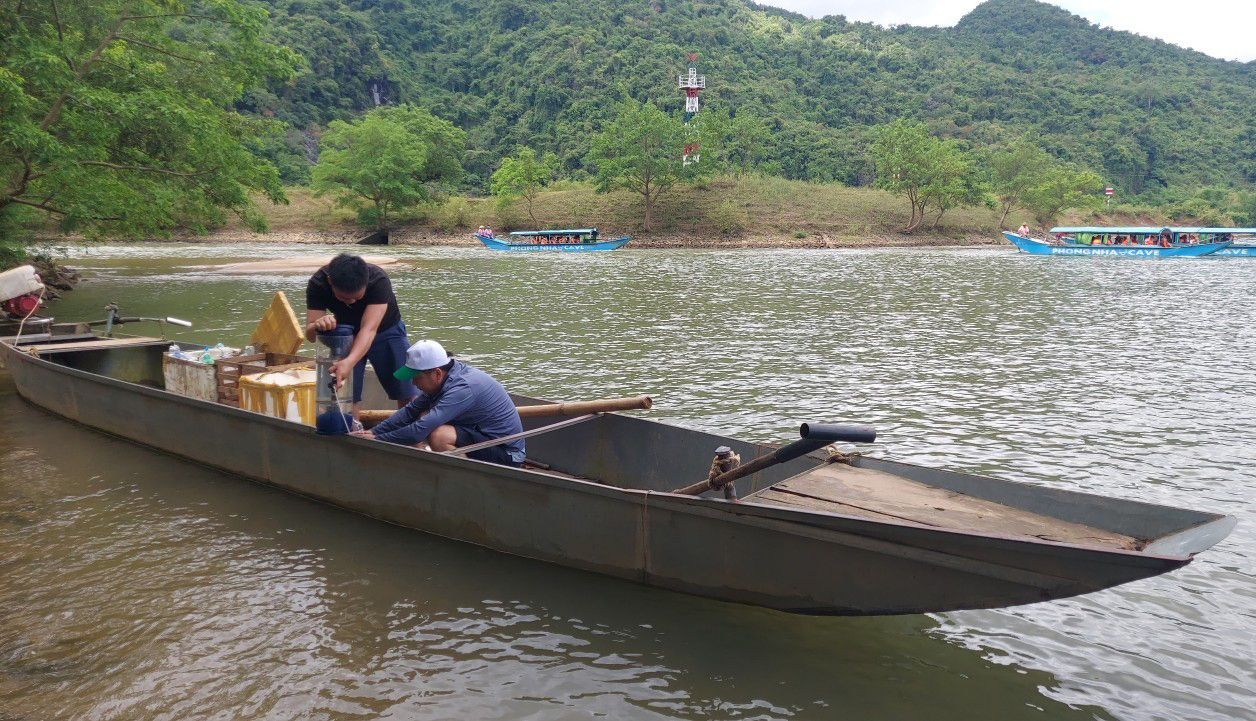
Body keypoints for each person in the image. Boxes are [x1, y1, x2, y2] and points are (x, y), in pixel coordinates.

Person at [357, 340, 525, 467]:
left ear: (436, 373)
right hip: (479, 435)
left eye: (417, 377)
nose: (414, 383)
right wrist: (374, 431)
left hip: (506, 453)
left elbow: (417, 432)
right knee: (422, 414)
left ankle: (465, 480)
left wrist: (378, 439)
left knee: (439, 435)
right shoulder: (446, 377)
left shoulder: (462, 389)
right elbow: (410, 412)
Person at [306, 253, 416, 415]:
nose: (351, 302)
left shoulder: (378, 279)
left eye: (357, 297)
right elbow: (309, 336)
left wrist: (349, 361)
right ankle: (353, 431)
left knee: (407, 389)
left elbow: (368, 330)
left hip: (386, 330)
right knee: (348, 394)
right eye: (343, 298)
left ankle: (413, 436)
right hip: (345, 335)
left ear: (366, 283)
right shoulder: (318, 283)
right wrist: (317, 326)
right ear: (330, 282)